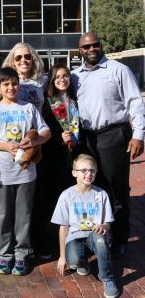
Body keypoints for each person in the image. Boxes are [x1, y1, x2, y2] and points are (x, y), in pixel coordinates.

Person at [71, 32, 145, 258]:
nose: (91, 49)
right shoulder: (75, 76)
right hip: (86, 138)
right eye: (86, 47)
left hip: (113, 134)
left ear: (101, 46)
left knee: (116, 189)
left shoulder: (117, 70)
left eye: (95, 45)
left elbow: (134, 102)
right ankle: (96, 236)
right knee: (92, 187)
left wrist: (139, 134)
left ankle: (120, 237)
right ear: (80, 50)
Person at [0, 67, 51, 276]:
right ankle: (4, 255)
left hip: (26, 171)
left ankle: (22, 254)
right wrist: (6, 146)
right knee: (3, 215)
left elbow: (45, 131)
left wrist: (34, 140)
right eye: (6, 84)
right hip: (3, 172)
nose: (11, 87)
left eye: (14, 83)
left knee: (24, 214)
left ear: (18, 85)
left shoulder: (28, 108)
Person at [51, 154, 118, 298]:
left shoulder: (101, 194)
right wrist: (62, 256)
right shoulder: (66, 195)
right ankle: (82, 262)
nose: (89, 174)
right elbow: (63, 227)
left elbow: (108, 222)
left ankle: (107, 278)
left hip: (96, 236)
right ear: (74, 172)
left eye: (92, 171)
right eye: (84, 170)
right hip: (75, 237)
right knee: (73, 261)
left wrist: (104, 227)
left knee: (100, 240)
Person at [36, 64, 80, 254]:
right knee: (54, 198)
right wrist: (58, 139)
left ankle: (72, 239)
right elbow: (44, 132)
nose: (62, 79)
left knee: (71, 197)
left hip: (73, 156)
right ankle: (51, 241)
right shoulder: (48, 103)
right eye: (57, 77)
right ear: (52, 81)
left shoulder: (75, 100)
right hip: (54, 158)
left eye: (65, 76)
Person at [0, 42, 47, 113]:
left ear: (33, 59)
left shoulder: (43, 80)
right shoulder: (5, 82)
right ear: (13, 61)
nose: (23, 60)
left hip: (37, 123)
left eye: (27, 56)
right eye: (18, 57)